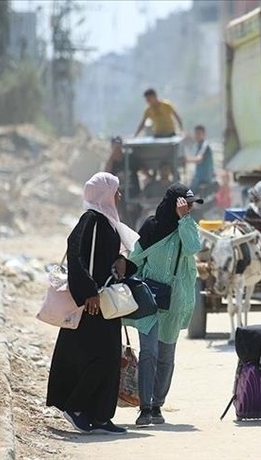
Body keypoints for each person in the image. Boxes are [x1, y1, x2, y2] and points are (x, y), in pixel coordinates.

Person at [46, 172, 139, 435]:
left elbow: (108, 258)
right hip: (92, 303)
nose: (119, 195)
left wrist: (124, 264)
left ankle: (100, 415)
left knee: (110, 357)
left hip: (105, 301)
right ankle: (75, 407)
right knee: (99, 357)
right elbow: (75, 254)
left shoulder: (108, 222)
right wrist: (88, 292)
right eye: (116, 190)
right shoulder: (91, 220)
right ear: (104, 194)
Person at [124, 183, 203, 426]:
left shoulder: (187, 227)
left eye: (190, 205)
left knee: (166, 356)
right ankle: (145, 407)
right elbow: (135, 259)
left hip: (175, 300)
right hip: (149, 299)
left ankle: (157, 404)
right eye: (185, 204)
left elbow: (193, 248)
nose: (189, 208)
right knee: (149, 352)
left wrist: (184, 220)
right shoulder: (151, 226)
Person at [185, 125, 216, 191]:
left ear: (203, 134)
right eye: (196, 134)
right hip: (198, 178)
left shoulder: (205, 145)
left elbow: (199, 159)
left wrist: (186, 159)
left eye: (199, 134)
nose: (197, 136)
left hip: (205, 178)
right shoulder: (197, 146)